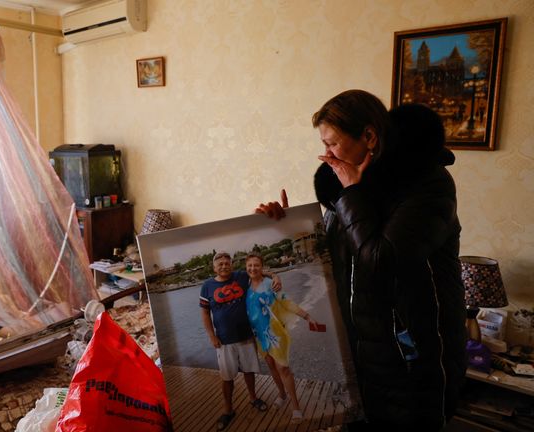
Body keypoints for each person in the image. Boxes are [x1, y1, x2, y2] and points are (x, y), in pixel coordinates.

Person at [258, 90, 466, 430]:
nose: (325, 154)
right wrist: (285, 226)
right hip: (360, 351)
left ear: (369, 137)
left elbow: (382, 260)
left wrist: (352, 194)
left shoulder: (428, 186)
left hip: (411, 357)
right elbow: (336, 254)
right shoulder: (349, 186)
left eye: (333, 143)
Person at [244, 253, 321, 424]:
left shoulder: (270, 284)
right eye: (249, 265)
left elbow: (287, 302)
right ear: (246, 267)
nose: (252, 268)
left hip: (275, 334)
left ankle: (296, 407)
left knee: (283, 368)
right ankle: (282, 394)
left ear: (262, 267)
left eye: (256, 265)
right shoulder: (246, 286)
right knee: (271, 365)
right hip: (258, 335)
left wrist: (307, 317)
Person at [200, 251, 269, 430]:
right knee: (227, 377)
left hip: (246, 336)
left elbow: (259, 272)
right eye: (220, 263)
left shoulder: (240, 276)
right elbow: (205, 313)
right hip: (224, 340)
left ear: (231, 264)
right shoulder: (207, 286)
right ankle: (228, 410)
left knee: (249, 371)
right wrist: (211, 336)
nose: (224, 266)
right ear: (214, 267)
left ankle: (253, 398)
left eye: (227, 262)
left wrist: (275, 277)